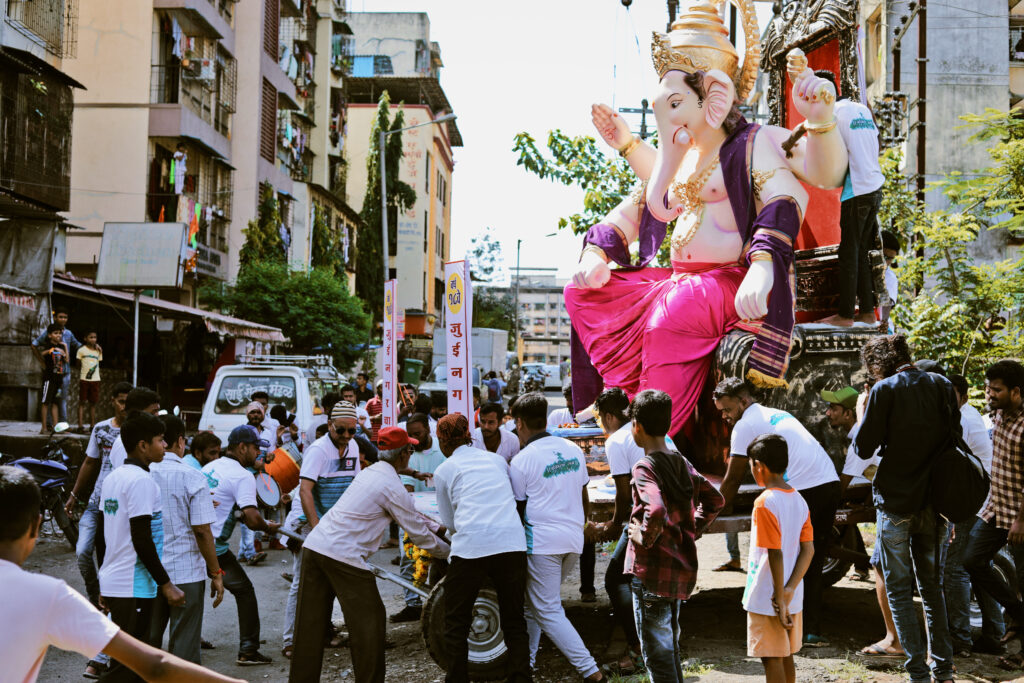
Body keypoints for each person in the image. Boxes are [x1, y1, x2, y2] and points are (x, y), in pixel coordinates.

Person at [0, 466, 246, 683]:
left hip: (129, 582)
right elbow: (153, 666)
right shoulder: (47, 595)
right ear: (37, 525)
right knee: (126, 670)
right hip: (140, 582)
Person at [289, 427, 451, 682]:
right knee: (370, 622)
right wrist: (449, 552)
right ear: (403, 455)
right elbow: (419, 534)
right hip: (342, 556)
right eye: (409, 450)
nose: (410, 454)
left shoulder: (371, 473)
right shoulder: (391, 486)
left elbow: (410, 513)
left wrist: (439, 528)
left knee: (309, 627)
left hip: (316, 546)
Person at [853, 334, 956, 683]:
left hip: (896, 502)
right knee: (932, 589)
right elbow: (953, 441)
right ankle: (943, 672)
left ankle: (918, 675)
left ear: (877, 365)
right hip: (934, 501)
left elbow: (864, 447)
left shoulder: (885, 390)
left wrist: (862, 412)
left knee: (898, 589)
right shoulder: (942, 385)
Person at [713, 378, 839, 647]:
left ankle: (786, 621)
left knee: (788, 558)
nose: (724, 416)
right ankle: (809, 630)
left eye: (727, 409)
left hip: (808, 488)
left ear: (743, 401)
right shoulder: (773, 413)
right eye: (721, 411)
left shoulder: (744, 424)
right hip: (829, 482)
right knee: (812, 558)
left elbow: (733, 479)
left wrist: (709, 514)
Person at [626, 390, 724, 682]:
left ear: (637, 427)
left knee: (657, 656)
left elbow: (655, 509)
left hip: (652, 573)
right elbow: (715, 500)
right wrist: (691, 528)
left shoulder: (645, 467)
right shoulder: (680, 461)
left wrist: (643, 536)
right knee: (669, 650)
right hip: (678, 570)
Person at [508, 393, 605, 681]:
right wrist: (582, 525)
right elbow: (584, 493)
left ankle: (592, 672)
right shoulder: (572, 449)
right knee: (535, 606)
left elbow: (518, 508)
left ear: (520, 423)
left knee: (547, 609)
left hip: (542, 544)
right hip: (573, 540)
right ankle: (526, 666)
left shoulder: (521, 460)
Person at [433, 413, 532, 683]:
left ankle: (457, 679)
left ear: (442, 441)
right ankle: (521, 677)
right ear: (468, 435)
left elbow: (450, 522)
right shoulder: (497, 460)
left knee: (456, 621)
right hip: (511, 543)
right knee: (514, 618)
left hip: (471, 547)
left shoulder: (444, 470)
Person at [98, 412, 184, 682]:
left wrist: (104, 580)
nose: (165, 446)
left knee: (128, 665)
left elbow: (102, 536)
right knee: (128, 670)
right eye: (160, 440)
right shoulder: (142, 482)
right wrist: (166, 584)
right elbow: (142, 538)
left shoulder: (113, 478)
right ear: (143, 445)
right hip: (132, 585)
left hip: (117, 582)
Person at [63, 382, 131, 678]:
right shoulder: (102, 429)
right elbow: (90, 462)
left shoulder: (136, 433)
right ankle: (97, 600)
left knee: (110, 564)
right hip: (96, 502)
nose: (124, 407)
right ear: (112, 401)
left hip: (119, 507)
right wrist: (74, 495)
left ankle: (106, 613)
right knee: (82, 552)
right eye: (120, 401)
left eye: (128, 402)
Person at [284, 401, 362, 658]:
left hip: (334, 523)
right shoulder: (318, 451)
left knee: (330, 581)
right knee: (302, 582)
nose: (347, 436)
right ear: (330, 425)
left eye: (352, 430)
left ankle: (323, 633)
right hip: (309, 522)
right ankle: (290, 640)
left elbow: (353, 487)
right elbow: (305, 491)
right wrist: (317, 528)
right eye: (341, 430)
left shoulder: (353, 446)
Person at [202, 424, 280, 666]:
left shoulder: (210, 467)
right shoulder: (242, 475)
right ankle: (248, 650)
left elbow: (234, 510)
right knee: (245, 592)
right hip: (214, 549)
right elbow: (253, 519)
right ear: (242, 447)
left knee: (185, 595)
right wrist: (268, 527)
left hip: (194, 542)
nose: (258, 452)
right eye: (256, 447)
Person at [963, 360, 1024, 669]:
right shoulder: (998, 414)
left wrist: (1021, 521)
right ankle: (1018, 612)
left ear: (1016, 392)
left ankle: (1020, 654)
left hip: (1020, 516)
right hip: (995, 508)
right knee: (971, 560)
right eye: (988, 388)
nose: (989, 394)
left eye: (996, 390)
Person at [148, 415, 224, 663]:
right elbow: (202, 531)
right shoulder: (192, 476)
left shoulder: (143, 473)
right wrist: (216, 573)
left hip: (149, 571)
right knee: (184, 647)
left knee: (147, 643)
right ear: (180, 441)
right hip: (185, 572)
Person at [813, 70, 884, 327]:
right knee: (861, 251)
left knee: (849, 253)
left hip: (858, 189)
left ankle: (845, 315)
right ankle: (867, 311)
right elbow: (876, 143)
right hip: (874, 186)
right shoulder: (861, 109)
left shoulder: (833, 114)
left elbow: (828, 154)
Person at [743, 434, 816, 683]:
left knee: (771, 658)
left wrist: (779, 596)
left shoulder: (764, 502)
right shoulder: (799, 500)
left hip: (768, 595)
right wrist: (789, 590)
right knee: (785, 655)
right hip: (791, 595)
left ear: (759, 466)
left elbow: (775, 552)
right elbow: (808, 550)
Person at [590, 387, 651, 673]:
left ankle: (638, 650)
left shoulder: (617, 439)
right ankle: (652, 648)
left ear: (609, 416)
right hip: (667, 512)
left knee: (616, 579)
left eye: (601, 420)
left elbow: (624, 495)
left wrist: (615, 525)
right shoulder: (645, 429)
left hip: (648, 517)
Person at [944, 372, 1003, 656]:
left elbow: (952, 466)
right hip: (981, 495)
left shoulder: (962, 420)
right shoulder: (965, 415)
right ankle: (995, 632)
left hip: (974, 498)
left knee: (954, 567)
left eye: (952, 394)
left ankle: (960, 639)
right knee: (978, 565)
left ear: (964, 397)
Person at [32, 307, 81, 424]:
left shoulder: (68, 333)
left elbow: (78, 345)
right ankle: (48, 424)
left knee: (60, 400)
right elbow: (34, 345)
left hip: (65, 372)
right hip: (50, 374)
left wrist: (93, 347)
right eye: (60, 317)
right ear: (55, 317)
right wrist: (42, 362)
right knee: (48, 400)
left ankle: (62, 424)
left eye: (65, 317)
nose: (63, 319)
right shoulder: (49, 332)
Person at [108, 387, 161, 470]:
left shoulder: (141, 439)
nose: (157, 416)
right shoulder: (123, 445)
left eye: (158, 411)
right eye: (153, 412)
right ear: (137, 413)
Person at [37, 323, 68, 434]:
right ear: (50, 335)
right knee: (46, 402)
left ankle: (56, 427)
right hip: (49, 379)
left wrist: (65, 347)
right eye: (55, 333)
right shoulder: (48, 345)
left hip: (59, 379)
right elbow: (42, 353)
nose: (58, 335)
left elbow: (67, 360)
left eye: (60, 333)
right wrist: (53, 349)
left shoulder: (61, 346)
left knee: (55, 403)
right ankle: (44, 428)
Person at [77, 331, 103, 432]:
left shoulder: (98, 351)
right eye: (90, 337)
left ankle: (92, 425)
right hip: (84, 379)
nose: (93, 339)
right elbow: (78, 364)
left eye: (94, 337)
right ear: (85, 338)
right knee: (82, 402)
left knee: (93, 403)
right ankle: (80, 426)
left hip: (95, 379)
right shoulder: (81, 350)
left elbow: (99, 362)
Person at [880, 230, 900, 332]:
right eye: (884, 256)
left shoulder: (889, 277)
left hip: (881, 327)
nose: (886, 261)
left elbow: (886, 305)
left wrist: (883, 323)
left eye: (890, 258)